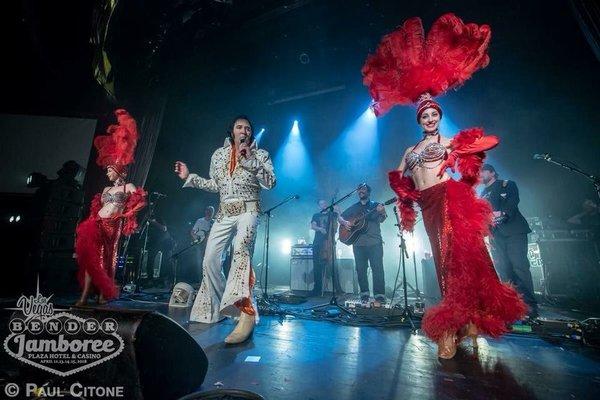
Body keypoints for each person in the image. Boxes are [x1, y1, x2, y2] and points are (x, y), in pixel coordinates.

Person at [363, 13, 526, 358]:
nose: (429, 118)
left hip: (448, 198)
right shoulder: (411, 149)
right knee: (441, 258)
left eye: (433, 114)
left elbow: (478, 149)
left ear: (438, 116)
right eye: (424, 116)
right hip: (427, 205)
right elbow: (396, 177)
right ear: (419, 120)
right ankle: (463, 321)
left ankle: (454, 325)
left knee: (454, 257)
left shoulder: (448, 140)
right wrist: (403, 191)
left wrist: (464, 155)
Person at [174, 115, 276, 344]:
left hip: (248, 210)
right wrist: (190, 177)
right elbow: (215, 185)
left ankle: (246, 314)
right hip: (224, 213)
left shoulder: (260, 154)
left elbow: (271, 182)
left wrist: (251, 161)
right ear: (232, 131)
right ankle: (227, 307)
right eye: (240, 127)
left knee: (241, 253)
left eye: (248, 128)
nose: (245, 131)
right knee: (209, 259)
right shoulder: (218, 155)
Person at [75, 109, 146, 306]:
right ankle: (83, 296)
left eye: (109, 169)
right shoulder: (106, 188)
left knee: (107, 259)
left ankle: (102, 294)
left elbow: (141, 201)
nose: (107, 172)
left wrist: (127, 213)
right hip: (97, 222)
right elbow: (99, 204)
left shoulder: (128, 187)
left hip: (112, 226)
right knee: (92, 259)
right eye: (107, 170)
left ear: (118, 171)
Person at [480, 164, 538, 318]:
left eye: (482, 171)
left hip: (514, 232)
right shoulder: (482, 193)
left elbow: (513, 202)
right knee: (503, 270)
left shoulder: (507, 184)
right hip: (495, 235)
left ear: (492, 172)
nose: (479, 174)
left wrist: (502, 213)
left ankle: (529, 306)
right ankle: (511, 306)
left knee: (519, 267)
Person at [338, 184, 387, 302]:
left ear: (368, 192)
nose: (361, 191)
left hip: (374, 242)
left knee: (377, 269)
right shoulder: (354, 207)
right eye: (359, 190)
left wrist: (383, 212)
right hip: (358, 244)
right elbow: (339, 217)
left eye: (363, 189)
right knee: (360, 269)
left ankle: (379, 295)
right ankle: (364, 293)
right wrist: (345, 223)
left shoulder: (376, 205)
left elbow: (383, 218)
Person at [310, 199, 342, 296]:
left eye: (324, 203)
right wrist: (320, 229)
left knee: (334, 266)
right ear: (318, 206)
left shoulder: (332, 214)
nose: (323, 205)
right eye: (321, 204)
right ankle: (317, 289)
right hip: (318, 243)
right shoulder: (316, 215)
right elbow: (313, 226)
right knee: (317, 267)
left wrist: (337, 209)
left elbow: (340, 218)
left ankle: (338, 289)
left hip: (330, 243)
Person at [190, 206, 215, 283]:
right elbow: (192, 232)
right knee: (199, 262)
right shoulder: (200, 221)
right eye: (208, 210)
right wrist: (196, 239)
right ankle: (201, 281)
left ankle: (209, 281)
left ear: (213, 212)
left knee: (210, 263)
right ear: (205, 211)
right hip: (200, 244)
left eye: (211, 211)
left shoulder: (215, 222)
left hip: (210, 245)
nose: (209, 212)